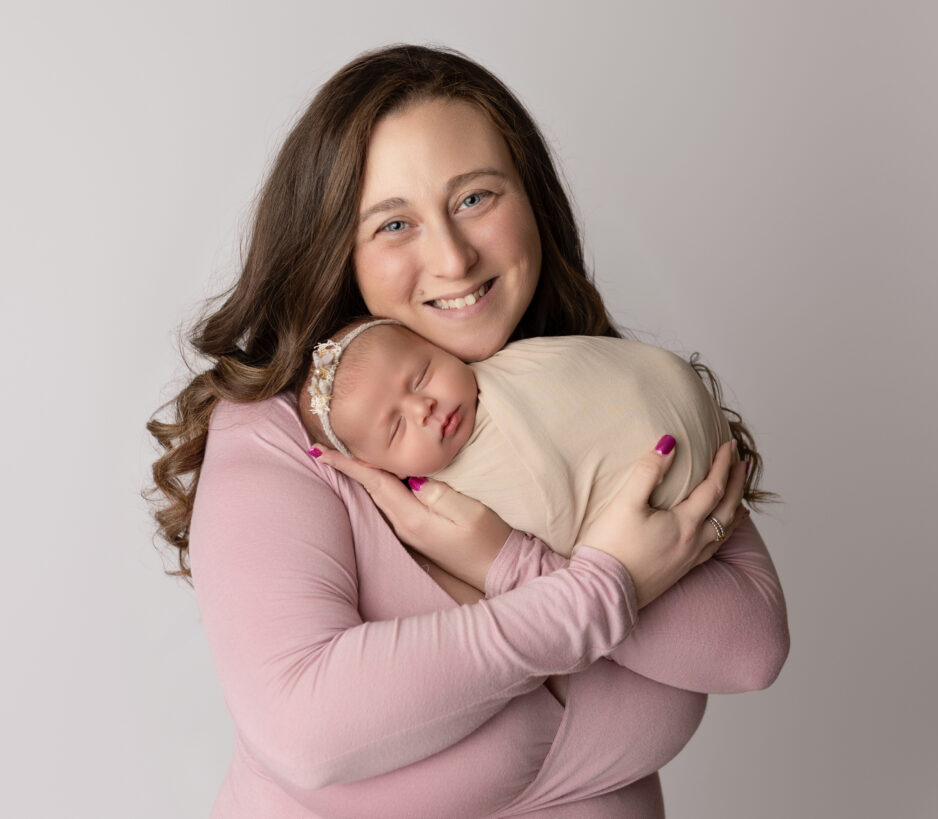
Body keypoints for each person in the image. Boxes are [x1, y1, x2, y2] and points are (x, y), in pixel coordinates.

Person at [148, 44, 789, 818]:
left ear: (534, 202)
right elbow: (305, 729)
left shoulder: (611, 391)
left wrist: (504, 560)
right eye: (393, 223)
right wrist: (597, 589)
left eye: (476, 198)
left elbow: (751, 647)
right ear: (334, 252)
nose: (451, 256)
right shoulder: (285, 437)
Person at [298, 318, 745, 557]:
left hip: (702, 446)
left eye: (422, 375)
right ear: (382, 470)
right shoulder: (449, 507)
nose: (423, 408)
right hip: (667, 523)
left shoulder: (509, 363)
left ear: (442, 347)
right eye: (396, 428)